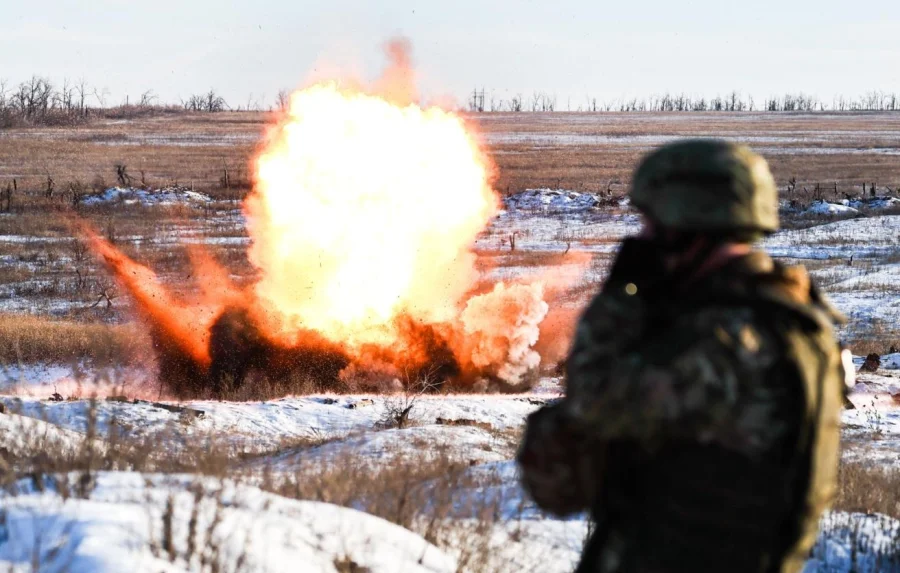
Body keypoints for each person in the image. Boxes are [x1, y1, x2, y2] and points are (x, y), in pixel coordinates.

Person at [517, 140, 851, 573]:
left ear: (686, 227)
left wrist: (618, 301)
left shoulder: (717, 345)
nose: (643, 237)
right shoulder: (799, 323)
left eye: (652, 225)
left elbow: (566, 461)